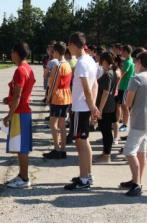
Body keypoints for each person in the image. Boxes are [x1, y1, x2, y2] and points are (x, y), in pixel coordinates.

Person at [65, 32, 99, 190]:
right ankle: (87, 174)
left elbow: (87, 89)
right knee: (85, 142)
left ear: (72, 45)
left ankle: (84, 180)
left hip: (81, 107)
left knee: (81, 144)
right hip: (84, 107)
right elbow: (95, 85)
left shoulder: (81, 63)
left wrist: (92, 107)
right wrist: (93, 105)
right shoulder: (90, 60)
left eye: (68, 46)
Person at [3, 42, 36, 188]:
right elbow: (17, 95)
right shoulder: (28, 68)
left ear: (16, 53)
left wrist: (8, 115)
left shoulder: (20, 70)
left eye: (12, 52)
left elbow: (18, 96)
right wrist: (8, 99)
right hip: (23, 111)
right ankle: (22, 175)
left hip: (20, 112)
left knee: (22, 148)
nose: (11, 55)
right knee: (20, 147)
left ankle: (24, 178)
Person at [120, 52, 147, 196]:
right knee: (141, 151)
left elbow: (127, 102)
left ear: (139, 62)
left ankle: (137, 184)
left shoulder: (136, 79)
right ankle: (136, 179)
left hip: (139, 119)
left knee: (129, 151)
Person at [43, 42, 72, 159]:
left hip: (58, 97)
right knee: (62, 125)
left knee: (53, 124)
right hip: (66, 96)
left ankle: (56, 148)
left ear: (58, 52)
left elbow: (53, 84)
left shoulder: (58, 66)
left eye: (53, 51)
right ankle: (63, 149)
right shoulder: (68, 65)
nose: (52, 53)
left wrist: (48, 97)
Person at [94, 52, 118, 163]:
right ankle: (105, 152)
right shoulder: (111, 72)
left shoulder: (108, 74)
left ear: (104, 60)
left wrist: (100, 109)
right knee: (106, 131)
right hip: (110, 105)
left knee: (106, 131)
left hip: (106, 107)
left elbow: (106, 92)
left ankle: (106, 155)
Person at [117, 45, 135, 132]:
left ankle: (125, 124)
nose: (121, 53)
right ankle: (122, 123)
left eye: (122, 51)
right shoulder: (128, 61)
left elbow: (121, 74)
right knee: (121, 105)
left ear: (126, 51)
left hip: (125, 86)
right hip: (123, 86)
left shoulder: (128, 62)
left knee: (125, 106)